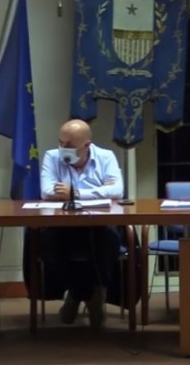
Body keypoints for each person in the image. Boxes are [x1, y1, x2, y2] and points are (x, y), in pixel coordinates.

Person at [38, 119, 124, 329]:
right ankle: (88, 296)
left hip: (99, 223)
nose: (62, 148)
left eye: (69, 145)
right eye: (60, 142)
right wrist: (99, 191)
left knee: (109, 239)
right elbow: (47, 191)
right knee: (49, 241)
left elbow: (117, 190)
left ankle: (78, 296)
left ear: (86, 145)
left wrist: (75, 193)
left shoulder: (105, 157)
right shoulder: (52, 157)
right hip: (63, 224)